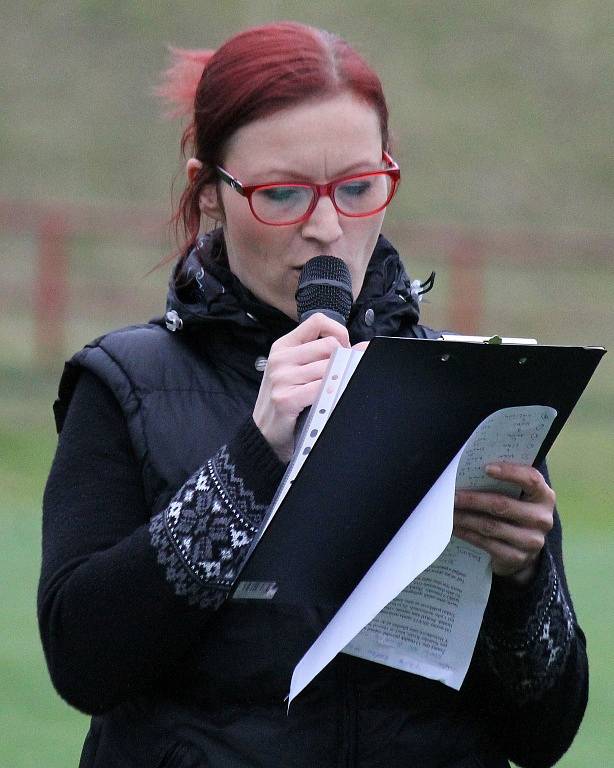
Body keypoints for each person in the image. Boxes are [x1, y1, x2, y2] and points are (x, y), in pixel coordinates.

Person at [38, 21, 587, 768]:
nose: (327, 228)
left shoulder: (472, 392)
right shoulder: (126, 383)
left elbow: (546, 733)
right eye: (283, 194)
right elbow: (85, 666)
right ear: (210, 195)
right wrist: (252, 457)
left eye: (359, 187)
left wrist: (525, 577)